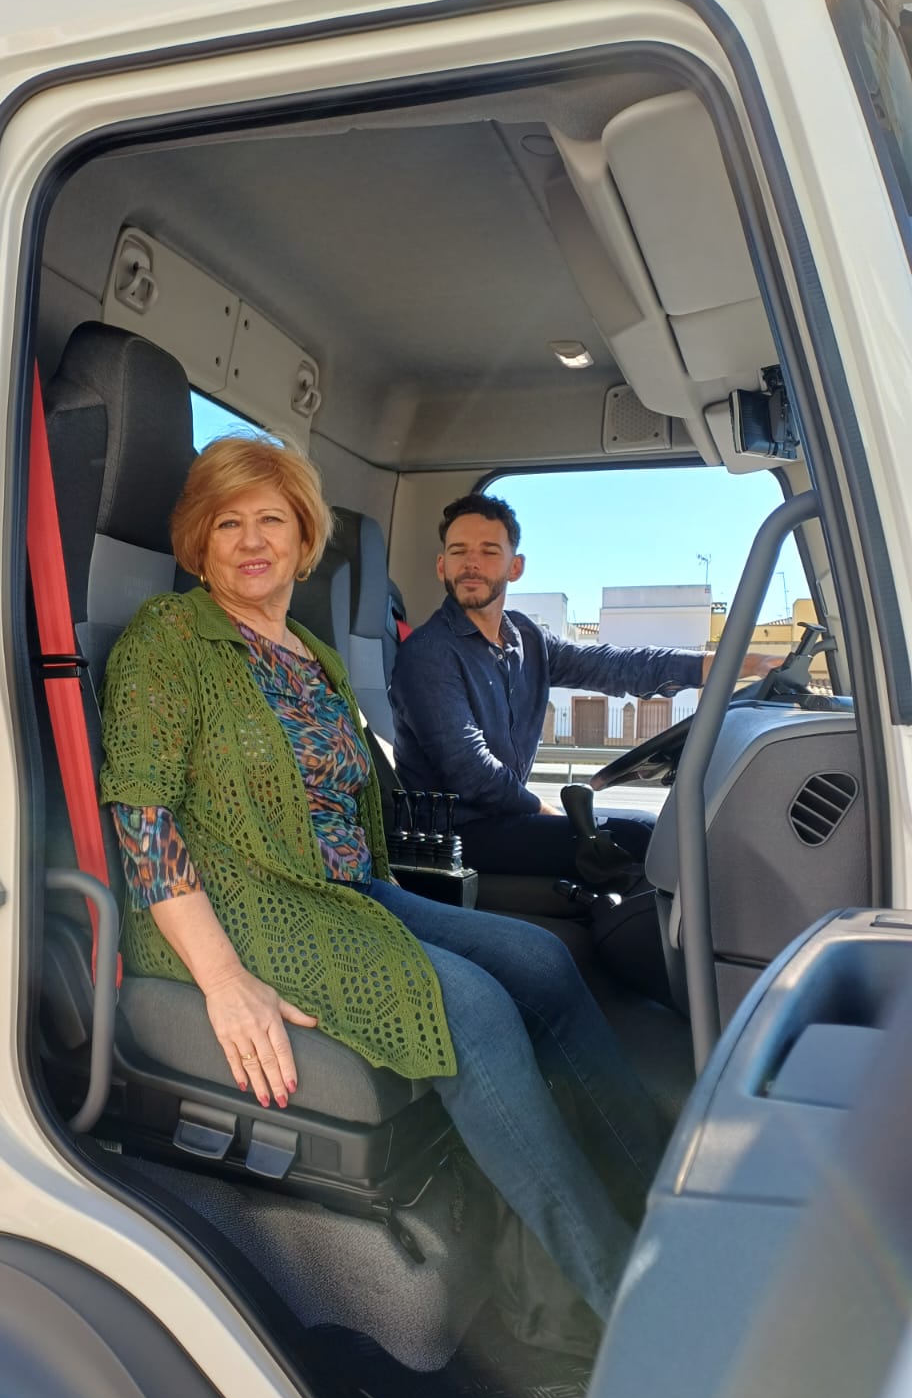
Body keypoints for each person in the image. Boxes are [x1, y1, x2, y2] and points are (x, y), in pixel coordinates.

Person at [99, 434, 668, 1323]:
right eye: (226, 524)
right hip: (244, 909)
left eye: (271, 520)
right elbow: (143, 817)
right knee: (471, 1007)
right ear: (198, 543)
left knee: (544, 963)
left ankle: (662, 1197)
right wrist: (224, 979)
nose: (251, 542)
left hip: (346, 893)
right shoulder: (167, 640)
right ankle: (619, 1291)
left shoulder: (309, 652)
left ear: (303, 536)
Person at [390, 493, 776, 878]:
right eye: (458, 552)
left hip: (504, 819)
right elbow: (472, 772)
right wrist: (547, 812)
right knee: (638, 844)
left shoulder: (526, 637)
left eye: (489, 551)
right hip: (454, 838)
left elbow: (617, 666)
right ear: (441, 566)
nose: (471, 563)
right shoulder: (427, 653)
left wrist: (743, 664)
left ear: (515, 567)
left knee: (651, 828)